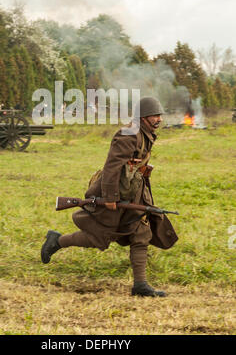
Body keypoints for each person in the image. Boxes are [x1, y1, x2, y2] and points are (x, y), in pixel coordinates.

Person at [41, 97, 178, 297]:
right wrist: (111, 197)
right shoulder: (128, 133)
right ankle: (57, 241)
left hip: (133, 193)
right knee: (100, 237)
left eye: (159, 115)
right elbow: (112, 166)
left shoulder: (146, 133)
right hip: (115, 193)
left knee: (141, 233)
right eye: (154, 115)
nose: (159, 119)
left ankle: (140, 284)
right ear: (143, 117)